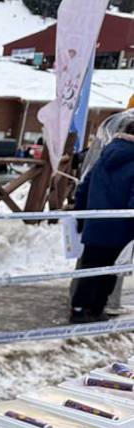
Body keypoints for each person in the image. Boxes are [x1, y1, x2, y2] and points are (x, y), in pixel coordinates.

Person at [70, 118, 134, 322]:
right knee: (111, 268)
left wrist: (81, 216)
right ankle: (97, 308)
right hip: (121, 226)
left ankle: (79, 308)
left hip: (95, 221)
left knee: (90, 265)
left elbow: (84, 186)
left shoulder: (105, 154)